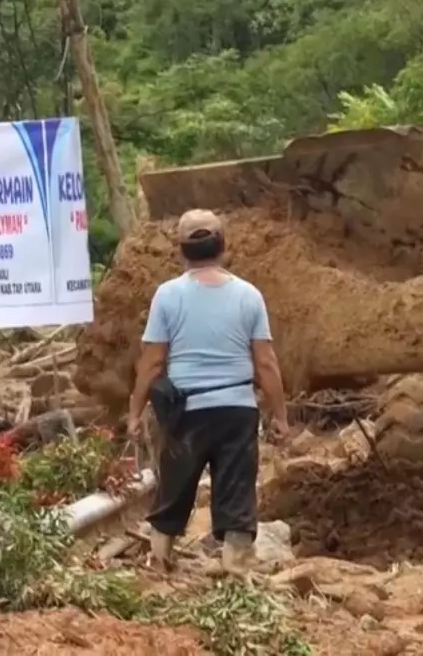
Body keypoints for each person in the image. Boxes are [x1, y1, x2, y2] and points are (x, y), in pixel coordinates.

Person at [126, 208, 290, 573]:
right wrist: (279, 415)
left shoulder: (167, 296)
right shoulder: (249, 296)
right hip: (237, 409)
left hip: (186, 411)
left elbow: (152, 363)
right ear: (224, 246)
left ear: (181, 250)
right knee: (236, 486)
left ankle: (159, 560)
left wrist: (135, 412)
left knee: (175, 483)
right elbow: (266, 363)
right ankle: (236, 566)